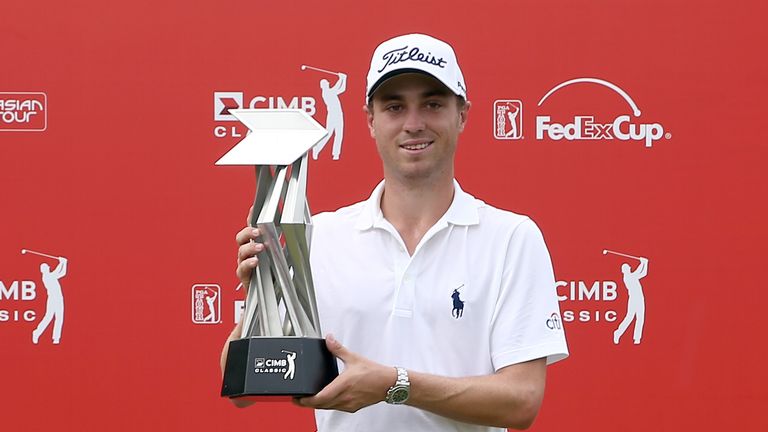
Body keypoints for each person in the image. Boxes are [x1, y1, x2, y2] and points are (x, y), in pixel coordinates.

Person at [222, 33, 568, 431]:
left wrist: (395, 384)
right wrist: (261, 300)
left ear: (463, 114)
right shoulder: (320, 237)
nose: (414, 123)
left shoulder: (511, 238)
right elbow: (243, 393)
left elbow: (521, 400)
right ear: (371, 120)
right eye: (394, 107)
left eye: (433, 104)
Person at [32, 256, 67, 344]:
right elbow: (57, 272)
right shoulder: (47, 276)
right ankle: (36, 332)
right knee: (48, 317)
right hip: (52, 299)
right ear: (42, 270)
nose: (46, 268)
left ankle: (56, 338)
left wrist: (65, 263)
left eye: (46, 267)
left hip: (59, 298)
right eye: (44, 267)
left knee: (59, 318)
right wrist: (61, 262)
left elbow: (62, 273)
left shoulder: (52, 276)